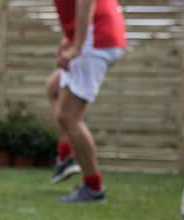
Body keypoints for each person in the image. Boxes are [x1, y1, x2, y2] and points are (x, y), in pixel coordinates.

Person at [48, 0, 126, 202]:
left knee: (68, 116)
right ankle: (65, 156)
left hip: (95, 39)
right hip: (97, 35)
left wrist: (78, 45)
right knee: (53, 88)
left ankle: (93, 188)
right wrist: (70, 38)